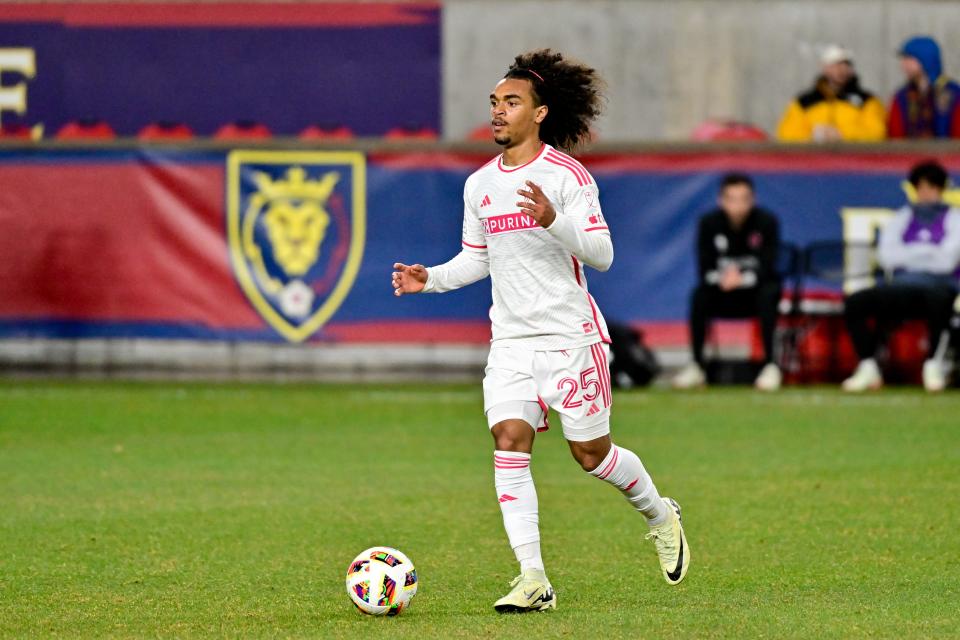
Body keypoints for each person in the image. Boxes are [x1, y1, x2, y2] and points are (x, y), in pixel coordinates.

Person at [392, 49, 689, 613]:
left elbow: (601, 254)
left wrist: (555, 220)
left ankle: (659, 512)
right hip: (511, 342)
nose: (499, 112)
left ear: (540, 113)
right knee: (508, 438)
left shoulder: (567, 177)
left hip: (570, 339)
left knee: (591, 455)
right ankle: (533, 578)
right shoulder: (479, 186)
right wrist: (427, 278)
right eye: (494, 104)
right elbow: (476, 259)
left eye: (511, 103)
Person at [842, 160, 960, 392]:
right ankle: (868, 365)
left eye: (931, 188)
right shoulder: (902, 217)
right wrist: (928, 252)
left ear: (941, 190)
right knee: (855, 302)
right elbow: (887, 257)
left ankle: (933, 364)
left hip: (939, 287)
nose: (926, 193)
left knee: (940, 302)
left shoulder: (954, 219)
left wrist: (910, 253)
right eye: (921, 188)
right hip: (900, 286)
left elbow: (947, 261)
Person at [673, 174, 783, 391]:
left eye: (744, 199)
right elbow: (704, 268)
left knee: (769, 292)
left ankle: (770, 365)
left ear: (753, 200)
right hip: (722, 294)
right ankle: (696, 365)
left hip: (754, 295)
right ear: (721, 200)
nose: (738, 206)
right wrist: (723, 279)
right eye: (732, 199)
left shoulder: (767, 222)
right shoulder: (709, 223)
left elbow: (768, 266)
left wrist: (742, 278)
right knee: (699, 295)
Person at [776, 45, 886, 142]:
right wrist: (814, 136)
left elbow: (877, 133)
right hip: (813, 162)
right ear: (824, 67)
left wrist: (841, 134)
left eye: (846, 64)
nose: (841, 69)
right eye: (836, 65)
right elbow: (785, 135)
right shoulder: (803, 102)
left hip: (853, 162)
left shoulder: (868, 101)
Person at [888, 36, 960, 139]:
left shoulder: (954, 94)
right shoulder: (901, 97)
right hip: (910, 154)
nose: (903, 64)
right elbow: (895, 137)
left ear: (926, 59)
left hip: (946, 154)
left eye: (908, 59)